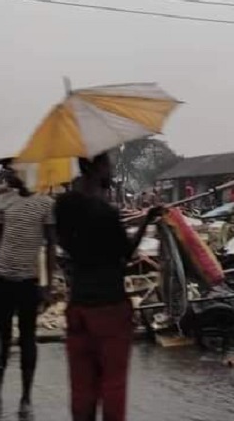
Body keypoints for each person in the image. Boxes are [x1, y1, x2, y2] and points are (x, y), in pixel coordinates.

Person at [55, 153, 161, 421]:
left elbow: (66, 247)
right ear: (96, 168)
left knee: (81, 388)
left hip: (78, 304)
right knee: (113, 385)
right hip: (110, 307)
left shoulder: (63, 208)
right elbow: (125, 254)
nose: (111, 169)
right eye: (107, 164)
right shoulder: (105, 213)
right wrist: (147, 222)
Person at [0, 172, 56, 419]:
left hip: (29, 282)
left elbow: (51, 246)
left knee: (27, 340)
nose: (16, 176)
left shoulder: (46, 203)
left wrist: (48, 285)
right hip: (2, 279)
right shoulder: (4, 201)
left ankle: (26, 399)